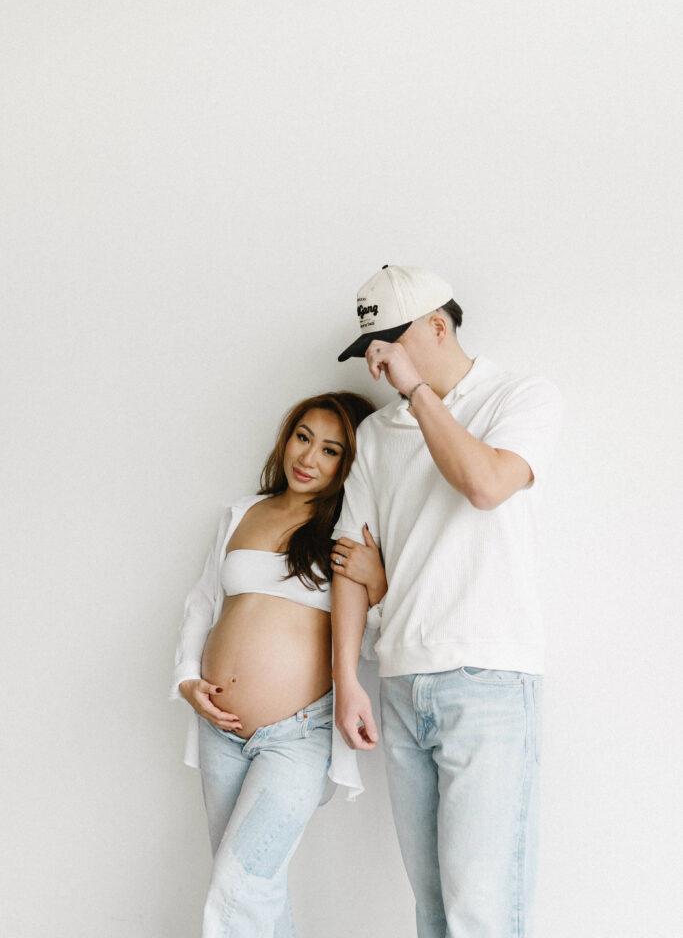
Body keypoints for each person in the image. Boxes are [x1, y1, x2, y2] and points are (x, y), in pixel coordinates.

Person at [331, 265, 563, 938]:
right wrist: (348, 679)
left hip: (488, 678)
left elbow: (486, 485)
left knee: (480, 915)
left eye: (388, 347)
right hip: (401, 684)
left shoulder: (521, 396)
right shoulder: (376, 437)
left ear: (437, 326)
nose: (377, 368)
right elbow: (350, 561)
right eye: (369, 352)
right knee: (433, 915)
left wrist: (418, 395)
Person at [170, 391, 387, 938]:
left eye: (331, 450)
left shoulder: (351, 531)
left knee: (238, 889)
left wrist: (379, 582)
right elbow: (202, 603)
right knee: (251, 894)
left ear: (349, 463)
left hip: (298, 735)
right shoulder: (242, 512)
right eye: (303, 437)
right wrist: (187, 680)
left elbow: (377, 634)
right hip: (220, 727)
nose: (308, 458)